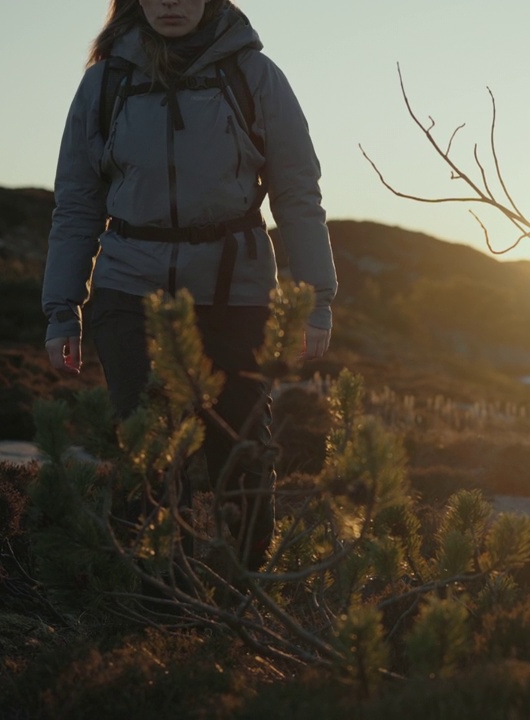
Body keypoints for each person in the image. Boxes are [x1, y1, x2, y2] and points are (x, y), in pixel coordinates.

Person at [41, 0, 337, 570]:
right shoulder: (106, 82)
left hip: (237, 294)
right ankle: (158, 612)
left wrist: (316, 299)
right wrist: (61, 309)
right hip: (130, 291)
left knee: (243, 454)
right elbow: (76, 203)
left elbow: (298, 192)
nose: (171, 2)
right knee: (148, 455)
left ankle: (240, 598)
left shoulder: (253, 75)